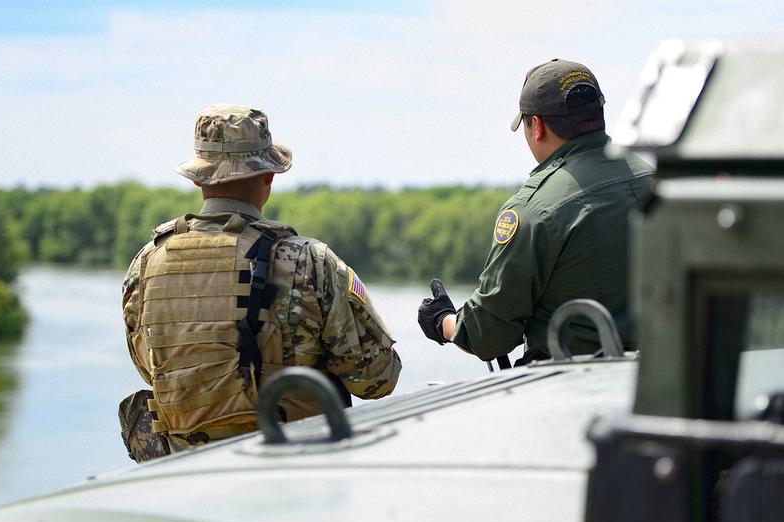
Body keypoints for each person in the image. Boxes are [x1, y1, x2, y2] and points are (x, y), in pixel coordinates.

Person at [119, 104, 401, 461]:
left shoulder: (146, 263)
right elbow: (377, 378)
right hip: (290, 468)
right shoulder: (308, 261)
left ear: (198, 179)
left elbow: (150, 367)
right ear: (268, 175)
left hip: (183, 473)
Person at [418, 59, 654, 364]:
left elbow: (488, 335)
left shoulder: (534, 209)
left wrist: (444, 323)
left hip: (569, 391)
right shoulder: (658, 182)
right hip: (663, 384)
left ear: (537, 126)